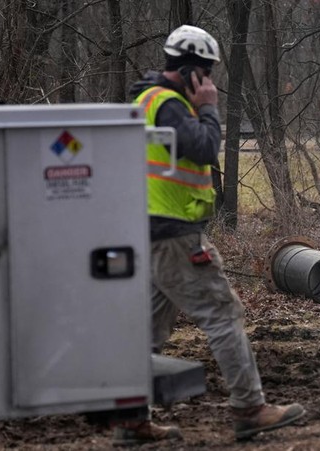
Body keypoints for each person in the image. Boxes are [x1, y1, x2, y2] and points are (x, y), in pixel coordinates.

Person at [116, 24, 305, 446]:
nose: (211, 82)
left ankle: (131, 420)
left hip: (150, 232)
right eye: (207, 73)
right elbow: (202, 149)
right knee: (223, 314)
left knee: (142, 332)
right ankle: (250, 408)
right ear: (191, 72)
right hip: (176, 235)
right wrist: (207, 108)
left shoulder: (146, 99)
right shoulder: (169, 105)